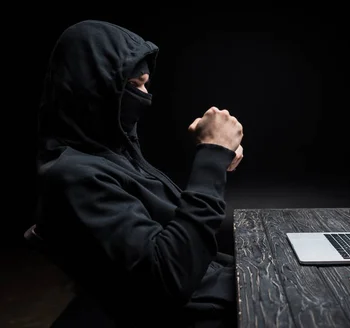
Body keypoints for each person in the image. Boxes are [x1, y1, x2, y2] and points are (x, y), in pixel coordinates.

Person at [34, 20, 244, 327]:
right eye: (133, 86)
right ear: (92, 88)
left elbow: (177, 233)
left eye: (145, 84)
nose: (145, 96)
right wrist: (210, 158)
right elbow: (170, 278)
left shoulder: (115, 156)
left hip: (218, 290)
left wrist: (215, 160)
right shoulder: (72, 176)